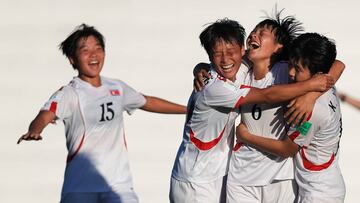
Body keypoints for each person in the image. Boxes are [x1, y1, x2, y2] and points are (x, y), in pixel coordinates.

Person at [17, 24, 187, 203]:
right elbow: (45, 115)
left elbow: (148, 101)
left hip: (118, 186)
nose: (93, 55)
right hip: (80, 189)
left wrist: (189, 110)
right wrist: (35, 130)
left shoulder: (116, 88)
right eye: (85, 50)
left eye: (98, 48)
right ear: (72, 58)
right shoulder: (69, 93)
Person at [169, 18, 333, 203]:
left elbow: (334, 65)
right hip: (214, 179)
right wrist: (200, 67)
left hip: (269, 176)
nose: (254, 35)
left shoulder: (284, 70)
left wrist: (311, 93)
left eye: (262, 33)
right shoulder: (226, 79)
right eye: (254, 31)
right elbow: (267, 95)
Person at [237, 32, 346, 203]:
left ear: (318, 74)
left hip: (318, 194)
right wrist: (310, 94)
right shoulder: (326, 85)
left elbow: (287, 149)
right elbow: (339, 64)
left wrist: (246, 136)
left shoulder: (308, 113)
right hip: (325, 186)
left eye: (299, 69)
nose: (291, 72)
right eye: (291, 64)